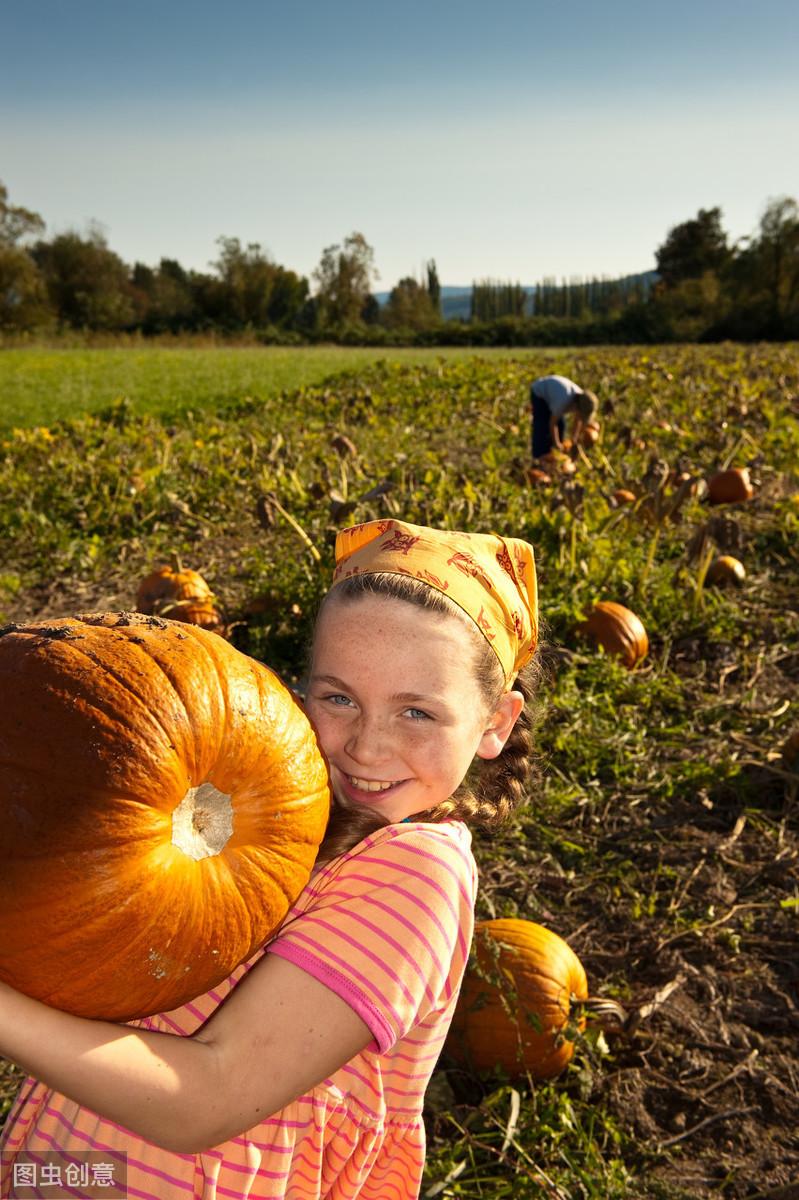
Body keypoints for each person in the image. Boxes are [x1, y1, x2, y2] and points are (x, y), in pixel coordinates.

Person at [0, 518, 540, 1200]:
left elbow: (209, 1097)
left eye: (416, 714)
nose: (365, 748)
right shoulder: (264, 799)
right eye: (338, 698)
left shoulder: (417, 874)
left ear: (493, 721)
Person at [530, 373, 598, 460]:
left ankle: (556, 453)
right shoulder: (563, 401)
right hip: (539, 393)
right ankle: (538, 457)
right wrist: (557, 443)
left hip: (554, 392)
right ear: (578, 407)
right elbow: (552, 424)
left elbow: (578, 419)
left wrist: (574, 439)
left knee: (561, 425)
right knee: (542, 426)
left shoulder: (581, 398)